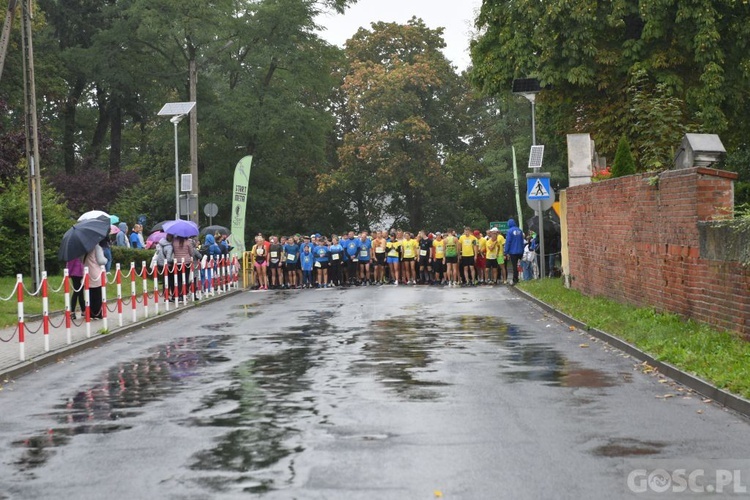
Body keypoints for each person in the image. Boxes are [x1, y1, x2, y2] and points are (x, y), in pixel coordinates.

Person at [84, 240, 109, 319]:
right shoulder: (97, 247)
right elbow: (101, 260)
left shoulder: (84, 248)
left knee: (90, 294)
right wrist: (107, 259)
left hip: (88, 272)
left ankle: (90, 313)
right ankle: (97, 313)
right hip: (97, 273)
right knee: (98, 294)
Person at [504, 218, 525, 286]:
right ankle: (523, 277)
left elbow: (508, 242)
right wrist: (522, 250)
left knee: (514, 266)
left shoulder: (509, 231)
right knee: (521, 264)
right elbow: (522, 241)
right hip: (520, 251)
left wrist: (506, 251)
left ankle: (515, 279)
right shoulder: (520, 230)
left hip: (513, 252)